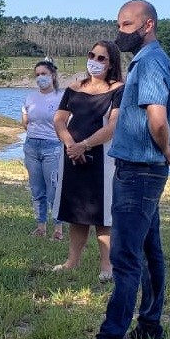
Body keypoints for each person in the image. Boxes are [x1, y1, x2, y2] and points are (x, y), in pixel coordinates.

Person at [73, 0, 170, 339]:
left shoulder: (150, 62)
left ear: (147, 25)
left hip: (139, 170)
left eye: (127, 24)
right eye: (119, 24)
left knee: (125, 257)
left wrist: (164, 146)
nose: (120, 31)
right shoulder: (153, 59)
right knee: (151, 250)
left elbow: (156, 116)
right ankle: (150, 326)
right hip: (144, 169)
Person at [52, 41, 124, 282]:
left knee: (103, 215)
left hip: (101, 159)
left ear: (111, 62)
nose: (94, 60)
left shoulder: (118, 90)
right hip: (72, 156)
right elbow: (60, 120)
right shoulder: (74, 88)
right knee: (76, 211)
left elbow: (114, 125)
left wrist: (86, 145)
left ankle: (107, 265)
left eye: (101, 58)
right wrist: (72, 145)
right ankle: (72, 261)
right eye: (92, 55)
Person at [22, 60, 64, 240]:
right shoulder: (30, 97)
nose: (40, 78)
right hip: (32, 145)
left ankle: (58, 228)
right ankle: (40, 226)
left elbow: (65, 123)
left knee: (53, 189)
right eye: (37, 74)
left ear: (52, 75)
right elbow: (25, 121)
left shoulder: (61, 97)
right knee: (37, 188)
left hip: (53, 147)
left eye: (44, 74)